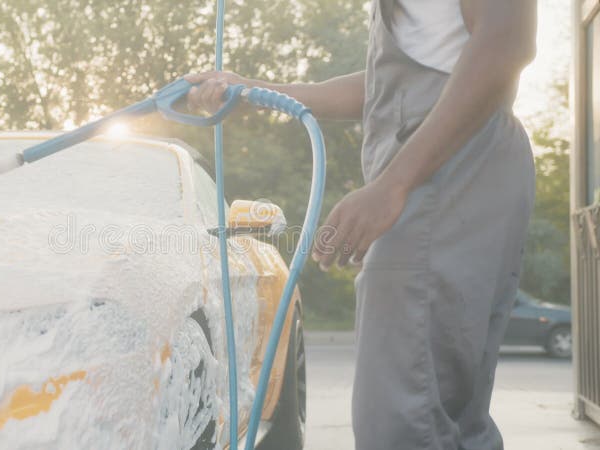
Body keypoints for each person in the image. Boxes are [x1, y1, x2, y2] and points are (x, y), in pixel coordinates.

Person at [187, 0, 537, 448]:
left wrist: (394, 184)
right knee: (443, 412)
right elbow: (385, 88)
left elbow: (505, 42)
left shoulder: (416, 177)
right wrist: (251, 90)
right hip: (442, 166)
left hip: (446, 167)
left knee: (403, 420)